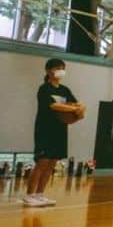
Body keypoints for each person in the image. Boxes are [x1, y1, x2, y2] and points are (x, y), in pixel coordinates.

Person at [25, 57, 84, 207]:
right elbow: (54, 106)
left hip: (60, 130)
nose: (60, 71)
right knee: (42, 162)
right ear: (48, 71)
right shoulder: (44, 89)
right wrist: (75, 108)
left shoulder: (65, 90)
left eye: (62, 68)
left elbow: (76, 104)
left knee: (52, 163)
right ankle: (30, 195)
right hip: (45, 129)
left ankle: (40, 194)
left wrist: (80, 108)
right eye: (57, 68)